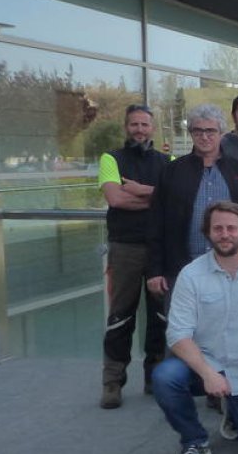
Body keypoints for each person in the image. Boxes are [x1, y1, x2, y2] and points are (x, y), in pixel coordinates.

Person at [151, 201, 238, 454]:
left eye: (231, 228)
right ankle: (195, 440)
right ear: (208, 232)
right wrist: (207, 373)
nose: (225, 234)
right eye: (218, 228)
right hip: (206, 364)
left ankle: (235, 410)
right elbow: (178, 334)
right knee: (165, 377)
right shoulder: (191, 275)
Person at [147, 104, 238, 301]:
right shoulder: (172, 172)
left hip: (233, 270)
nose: (204, 136)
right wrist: (154, 269)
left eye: (210, 130)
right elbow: (156, 222)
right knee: (183, 329)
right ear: (191, 133)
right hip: (182, 270)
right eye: (198, 131)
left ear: (221, 133)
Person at [99, 104, 170, 408]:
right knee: (120, 316)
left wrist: (140, 189)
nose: (139, 129)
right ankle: (112, 382)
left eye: (144, 124)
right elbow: (115, 198)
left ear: (152, 128)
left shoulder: (167, 161)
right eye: (134, 124)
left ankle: (155, 375)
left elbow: (175, 196)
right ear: (126, 127)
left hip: (159, 247)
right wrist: (156, 196)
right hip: (125, 247)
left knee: (160, 316)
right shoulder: (110, 158)